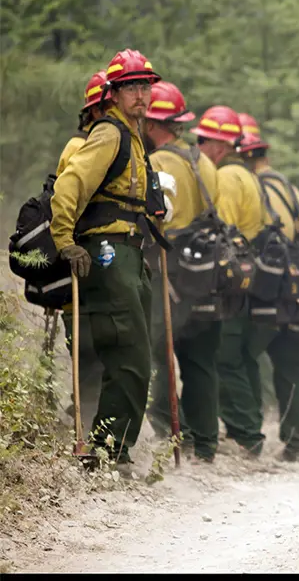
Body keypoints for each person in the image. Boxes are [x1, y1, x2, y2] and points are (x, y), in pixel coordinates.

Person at [50, 49, 161, 469]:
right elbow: (69, 186)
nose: (140, 94)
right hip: (108, 255)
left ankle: (113, 450)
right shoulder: (109, 133)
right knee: (128, 354)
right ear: (113, 93)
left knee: (136, 356)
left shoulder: (133, 136)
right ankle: (106, 451)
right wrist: (65, 241)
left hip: (128, 254)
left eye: (145, 86)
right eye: (131, 87)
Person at [142, 81, 223, 463]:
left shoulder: (156, 163)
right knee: (201, 361)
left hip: (170, 276)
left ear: (152, 121)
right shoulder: (205, 162)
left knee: (161, 357)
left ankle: (172, 437)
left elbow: (155, 222)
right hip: (208, 277)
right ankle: (205, 445)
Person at [192, 106, 275, 458]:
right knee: (239, 356)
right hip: (246, 275)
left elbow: (221, 228)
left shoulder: (226, 177)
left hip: (228, 278)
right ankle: (248, 428)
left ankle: (245, 433)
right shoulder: (250, 178)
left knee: (226, 357)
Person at [239, 126, 299, 463]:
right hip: (298, 279)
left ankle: (246, 437)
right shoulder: (289, 186)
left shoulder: (255, 186)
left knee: (241, 354)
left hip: (272, 284)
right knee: (293, 359)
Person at [58, 69, 109, 425]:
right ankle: (85, 424)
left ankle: (92, 424)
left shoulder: (114, 145)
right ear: (92, 112)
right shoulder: (80, 148)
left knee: (101, 353)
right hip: (79, 263)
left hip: (101, 264)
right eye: (104, 109)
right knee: (88, 351)